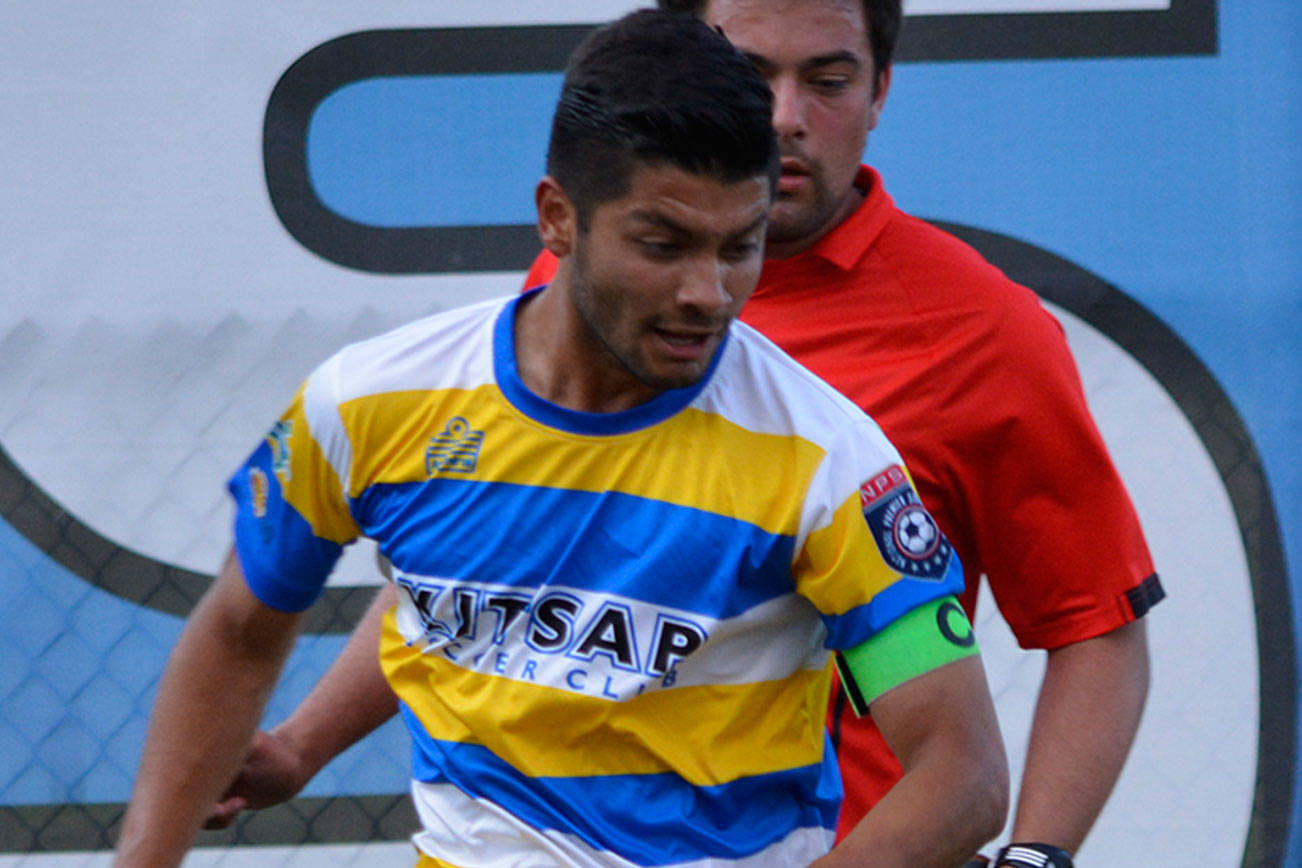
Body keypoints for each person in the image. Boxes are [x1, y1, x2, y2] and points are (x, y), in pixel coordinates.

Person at [206, 1, 1162, 864]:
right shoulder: (581, 292)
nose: (785, 116)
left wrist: (1039, 859)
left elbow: (1094, 627)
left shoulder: (982, 334)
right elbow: (496, 577)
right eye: (751, 76)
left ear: (881, 92)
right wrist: (301, 744)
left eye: (827, 80)